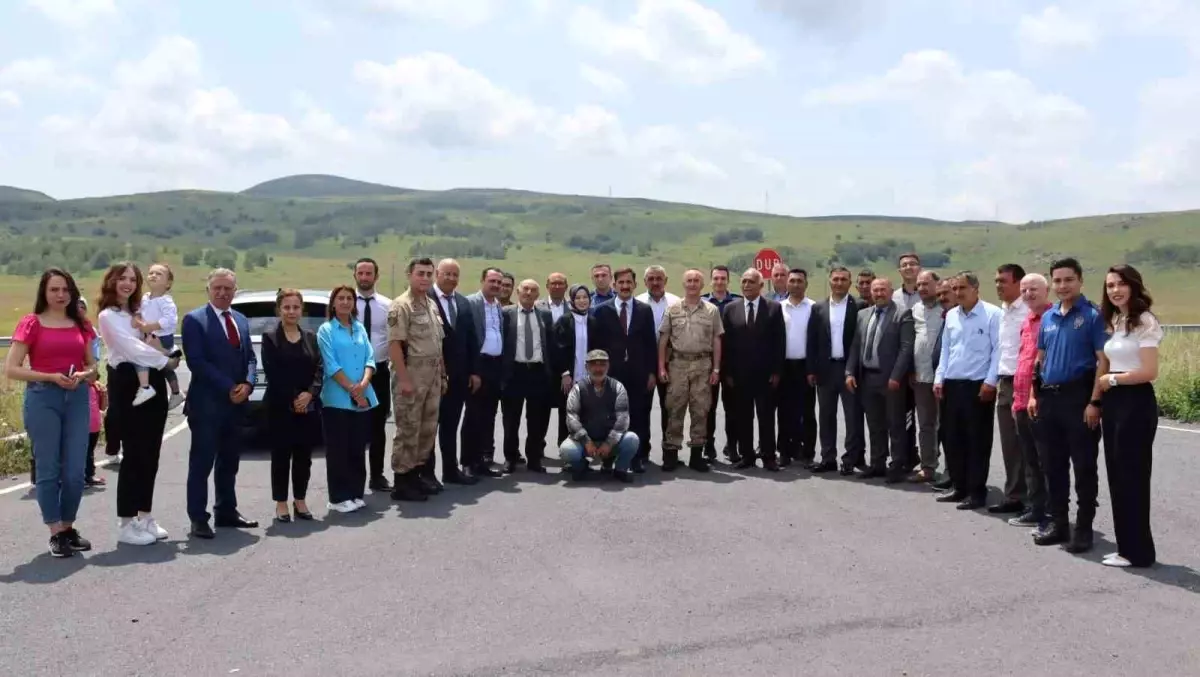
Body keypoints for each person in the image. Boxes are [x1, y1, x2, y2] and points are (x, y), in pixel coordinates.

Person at [5, 268, 100, 557]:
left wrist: (84, 374)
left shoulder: (81, 325)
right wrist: (51, 377)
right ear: (44, 293)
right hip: (43, 398)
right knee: (48, 468)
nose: (60, 295)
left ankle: (68, 527)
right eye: (54, 290)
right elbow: (12, 368)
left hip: (77, 397)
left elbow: (94, 368)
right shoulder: (31, 323)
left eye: (65, 290)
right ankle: (55, 531)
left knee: (75, 471)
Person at [97, 262, 180, 545]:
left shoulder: (139, 312)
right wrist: (165, 360)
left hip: (152, 382)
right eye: (122, 278)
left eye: (133, 279)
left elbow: (151, 340)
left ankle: (145, 515)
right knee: (133, 453)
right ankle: (126, 521)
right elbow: (129, 348)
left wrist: (161, 350)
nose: (128, 284)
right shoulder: (108, 316)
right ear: (111, 282)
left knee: (152, 452)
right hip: (127, 383)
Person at [1029, 257, 1107, 553]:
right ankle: (1058, 523)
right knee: (1052, 465)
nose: (1063, 286)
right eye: (1058, 281)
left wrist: (1094, 401)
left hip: (1079, 398)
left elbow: (1103, 360)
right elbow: (1040, 358)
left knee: (1084, 466)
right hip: (1049, 399)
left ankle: (1084, 528)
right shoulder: (1048, 317)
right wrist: (1034, 394)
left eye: (1068, 280)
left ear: (1080, 281)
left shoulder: (1092, 316)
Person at [182, 268, 259, 538]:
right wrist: (229, 387)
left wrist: (248, 384)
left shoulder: (240, 319)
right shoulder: (194, 320)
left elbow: (250, 357)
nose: (223, 293)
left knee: (230, 461)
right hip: (207, 405)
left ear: (235, 291)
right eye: (217, 288)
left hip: (236, 406)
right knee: (202, 463)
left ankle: (226, 511)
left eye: (228, 288)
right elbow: (196, 362)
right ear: (208, 290)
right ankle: (198, 518)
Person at [1096, 264, 1162, 568]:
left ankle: (1139, 552)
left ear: (1134, 286)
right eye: (1110, 285)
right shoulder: (1117, 320)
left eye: (1121, 284)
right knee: (1118, 474)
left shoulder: (1144, 322)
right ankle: (1127, 548)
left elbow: (1150, 371)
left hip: (1135, 402)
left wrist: (1112, 380)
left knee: (1132, 476)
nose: (1115, 290)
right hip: (1115, 403)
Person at [933, 272, 1002, 511]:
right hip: (952, 384)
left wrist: (991, 381)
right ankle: (958, 487)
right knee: (952, 438)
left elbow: (998, 351)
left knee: (977, 440)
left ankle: (976, 492)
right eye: (954, 288)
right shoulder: (951, 315)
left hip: (978, 386)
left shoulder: (992, 314)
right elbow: (945, 350)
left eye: (962, 287)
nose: (958, 292)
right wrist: (939, 377)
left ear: (975, 288)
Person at [260, 288, 322, 523]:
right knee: (281, 456)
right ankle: (281, 503)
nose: (291, 311)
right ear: (279, 310)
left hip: (307, 407)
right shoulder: (270, 338)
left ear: (301, 310)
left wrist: (309, 394)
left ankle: (300, 500)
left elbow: (319, 369)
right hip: (279, 406)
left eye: (295, 307)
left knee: (304, 456)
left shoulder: (310, 337)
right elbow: (273, 373)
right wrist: (294, 398)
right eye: (286, 307)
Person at [388, 258, 447, 500]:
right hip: (411, 374)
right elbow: (394, 345)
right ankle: (402, 481)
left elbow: (438, 344)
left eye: (428, 274)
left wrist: (442, 374)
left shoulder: (431, 304)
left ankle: (417, 475)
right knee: (408, 429)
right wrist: (403, 380)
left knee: (427, 429)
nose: (425, 278)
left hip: (432, 376)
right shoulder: (401, 306)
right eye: (420, 273)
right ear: (409, 275)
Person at [846, 277, 914, 482]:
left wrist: (896, 376)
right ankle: (877, 463)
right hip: (867, 378)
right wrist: (849, 372)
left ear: (891, 291)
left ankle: (897, 465)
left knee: (895, 424)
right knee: (874, 424)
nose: (878, 293)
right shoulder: (862, 315)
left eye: (883, 290)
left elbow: (906, 348)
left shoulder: (902, 314)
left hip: (891, 380)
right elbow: (855, 347)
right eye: (875, 290)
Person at [317, 285, 378, 513]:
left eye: (349, 298)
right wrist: (354, 391)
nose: (345, 302)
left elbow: (370, 359)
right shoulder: (326, 330)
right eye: (340, 298)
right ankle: (338, 498)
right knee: (338, 449)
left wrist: (363, 386)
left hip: (363, 397)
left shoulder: (359, 328)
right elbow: (331, 364)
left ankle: (355, 492)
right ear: (333, 303)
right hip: (337, 399)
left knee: (356, 447)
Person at [658, 269, 723, 472]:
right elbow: (664, 339)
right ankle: (671, 453)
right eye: (689, 281)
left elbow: (716, 339)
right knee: (674, 408)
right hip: (678, 364)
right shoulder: (672, 309)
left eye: (696, 281)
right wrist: (661, 366)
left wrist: (716, 368)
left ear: (702, 285)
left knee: (700, 410)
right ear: (683, 284)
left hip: (703, 365)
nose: (693, 284)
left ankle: (697, 454)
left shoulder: (712, 310)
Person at [721, 269, 785, 471]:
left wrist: (776, 371)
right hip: (739, 375)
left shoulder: (774, 308)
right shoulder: (731, 309)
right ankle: (747, 455)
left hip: (765, 375)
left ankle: (768, 456)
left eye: (751, 282)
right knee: (743, 417)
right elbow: (726, 344)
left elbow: (779, 342)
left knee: (766, 417)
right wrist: (727, 372)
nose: (747, 285)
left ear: (760, 285)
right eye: (744, 281)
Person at [596, 268, 657, 473]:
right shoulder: (603, 310)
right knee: (610, 416)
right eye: (620, 282)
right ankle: (608, 457)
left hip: (638, 373)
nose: (624, 286)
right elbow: (598, 345)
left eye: (628, 282)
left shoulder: (644, 310)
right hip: (611, 374)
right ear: (614, 285)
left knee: (639, 415)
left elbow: (650, 343)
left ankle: (637, 457)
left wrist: (651, 372)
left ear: (635, 285)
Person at [806, 266, 865, 474]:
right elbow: (811, 340)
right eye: (835, 279)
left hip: (849, 370)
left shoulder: (859, 305)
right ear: (829, 281)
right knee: (826, 416)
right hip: (825, 370)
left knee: (852, 417)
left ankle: (850, 459)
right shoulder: (818, 307)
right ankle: (827, 457)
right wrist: (811, 369)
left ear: (850, 283)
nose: (839, 283)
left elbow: (861, 341)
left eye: (843, 279)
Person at [429, 258, 479, 485]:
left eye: (455, 275)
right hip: (430, 376)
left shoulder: (463, 302)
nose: (451, 278)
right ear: (437, 274)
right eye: (446, 273)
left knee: (450, 425)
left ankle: (450, 470)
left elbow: (471, 340)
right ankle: (426, 474)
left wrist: (474, 371)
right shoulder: (424, 298)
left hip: (458, 378)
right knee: (429, 427)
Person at [1007, 273, 1051, 529]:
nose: (1028, 294)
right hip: (1021, 399)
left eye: (1034, 289)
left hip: (1041, 400)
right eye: (1024, 290)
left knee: (1046, 459)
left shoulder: (1052, 319)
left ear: (1046, 291)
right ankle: (1035, 508)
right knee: (1030, 459)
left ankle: (1051, 511)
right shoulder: (1027, 321)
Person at [499, 279, 555, 474]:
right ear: (517, 292)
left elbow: (550, 344)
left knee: (536, 420)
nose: (529, 293)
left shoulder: (545, 315)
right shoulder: (506, 314)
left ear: (538, 295)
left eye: (533, 290)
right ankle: (510, 457)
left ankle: (534, 459)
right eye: (525, 289)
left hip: (538, 372)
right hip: (515, 372)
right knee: (511, 419)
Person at [560, 350, 639, 483]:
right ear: (586, 367)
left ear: (608, 366)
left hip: (610, 440)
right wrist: (586, 441)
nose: (598, 369)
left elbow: (622, 420)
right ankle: (581, 466)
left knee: (632, 439)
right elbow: (571, 418)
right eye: (594, 365)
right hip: (585, 441)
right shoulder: (577, 389)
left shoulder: (618, 388)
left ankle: (620, 469)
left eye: (602, 364)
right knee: (566, 450)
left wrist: (609, 443)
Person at [990, 263, 1029, 514]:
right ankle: (1014, 495)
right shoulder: (1001, 312)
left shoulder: (1029, 311)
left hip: (1025, 382)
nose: (998, 286)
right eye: (996, 281)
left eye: (1003, 281)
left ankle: (1037, 500)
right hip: (1004, 382)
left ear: (1018, 283)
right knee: (1009, 444)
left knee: (1029, 444)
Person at [463, 267, 507, 477]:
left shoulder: (498, 306)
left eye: (499, 282)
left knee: (489, 415)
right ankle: (468, 462)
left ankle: (481, 460)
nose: (496, 285)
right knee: (473, 415)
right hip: (477, 366)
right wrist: (473, 370)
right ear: (482, 281)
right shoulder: (471, 303)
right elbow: (468, 340)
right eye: (492, 281)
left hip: (495, 366)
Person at [354, 257, 393, 493]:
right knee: (355, 427)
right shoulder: (345, 303)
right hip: (350, 376)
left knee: (378, 427)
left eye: (369, 274)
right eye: (361, 273)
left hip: (379, 373)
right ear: (355, 276)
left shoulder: (388, 306)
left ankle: (377, 476)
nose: (365, 277)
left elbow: (393, 338)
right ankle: (355, 477)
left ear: (376, 277)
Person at [636, 265, 679, 456]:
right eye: (651, 279)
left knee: (670, 409)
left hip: (671, 363)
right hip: (643, 363)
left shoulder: (676, 302)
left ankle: (669, 452)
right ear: (645, 282)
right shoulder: (636, 302)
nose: (655, 282)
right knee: (641, 408)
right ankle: (642, 451)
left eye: (659, 278)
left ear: (666, 280)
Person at [553, 284, 601, 446]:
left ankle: (584, 451)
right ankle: (566, 450)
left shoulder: (593, 322)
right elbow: (557, 349)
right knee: (567, 415)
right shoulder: (564, 321)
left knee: (586, 415)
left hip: (588, 378)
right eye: (578, 298)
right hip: (569, 377)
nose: (582, 301)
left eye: (585, 297)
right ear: (572, 300)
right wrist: (565, 374)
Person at [777, 268, 815, 467]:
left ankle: (807, 452)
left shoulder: (814, 308)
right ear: (786, 284)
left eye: (800, 281)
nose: (795, 284)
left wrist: (812, 369)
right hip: (784, 366)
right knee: (784, 411)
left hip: (806, 367)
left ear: (806, 284)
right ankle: (784, 451)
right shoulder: (778, 308)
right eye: (792, 281)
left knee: (807, 412)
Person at [907, 271, 943, 483]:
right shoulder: (915, 310)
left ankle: (954, 470)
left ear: (937, 284)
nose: (922, 288)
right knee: (926, 424)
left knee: (948, 425)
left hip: (945, 377)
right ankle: (928, 466)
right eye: (919, 285)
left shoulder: (949, 309)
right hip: (921, 376)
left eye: (926, 284)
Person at [702, 265, 740, 462]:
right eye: (716, 278)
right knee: (708, 407)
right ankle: (708, 445)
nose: (719, 282)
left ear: (728, 280)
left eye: (723, 278)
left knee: (733, 408)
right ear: (711, 281)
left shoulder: (738, 302)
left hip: (733, 363)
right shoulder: (701, 303)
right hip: (708, 363)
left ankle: (732, 445)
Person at [134, 263, 183, 410]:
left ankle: (146, 387)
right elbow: (139, 312)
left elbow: (170, 320)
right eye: (151, 273)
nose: (153, 276)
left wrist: (151, 326)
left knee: (143, 358)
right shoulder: (145, 298)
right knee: (164, 368)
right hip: (149, 335)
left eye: (159, 274)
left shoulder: (166, 301)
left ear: (168, 283)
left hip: (162, 337)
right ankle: (176, 393)